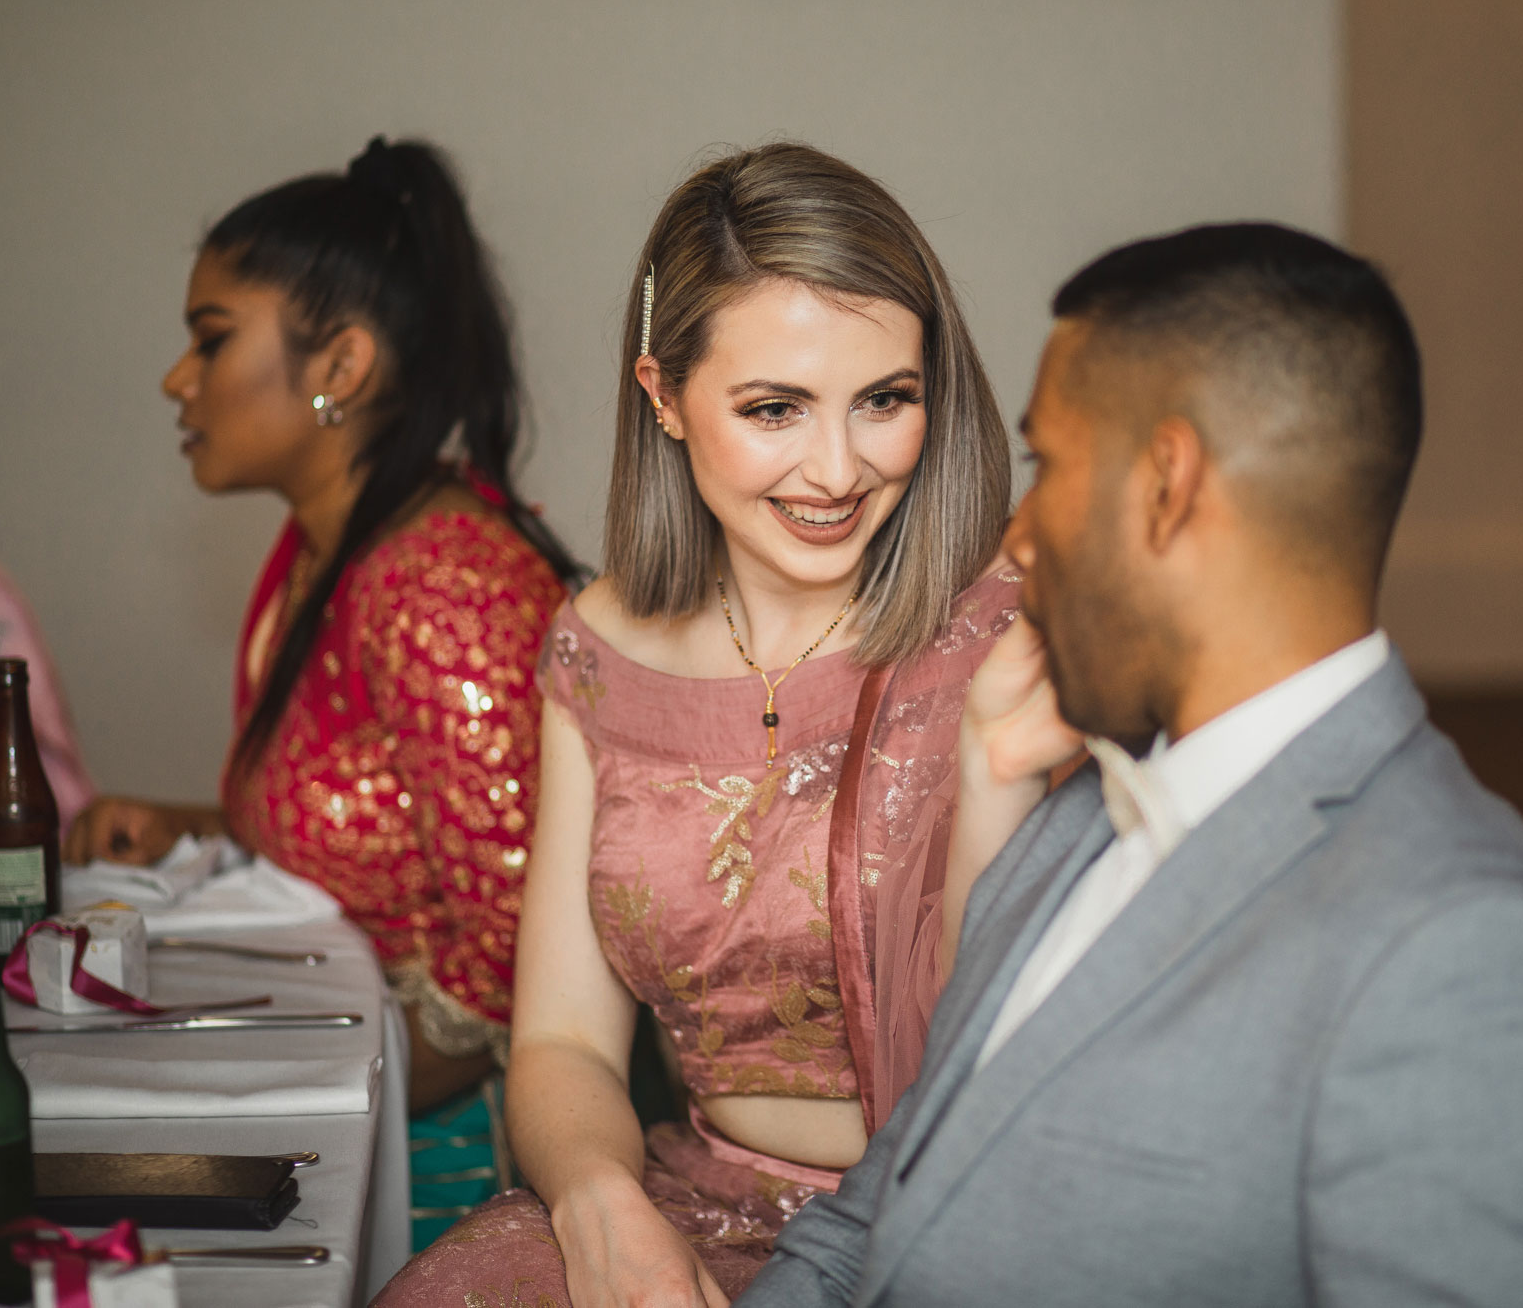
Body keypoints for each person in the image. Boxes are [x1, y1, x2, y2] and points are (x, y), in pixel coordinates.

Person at [741, 223, 1523, 1306]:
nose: (1016, 535)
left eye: (1049, 464)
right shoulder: (1075, 814)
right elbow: (877, 1216)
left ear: (1165, 485)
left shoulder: (1465, 954)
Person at [373, 142, 1024, 1307]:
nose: (836, 469)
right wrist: (599, 1204)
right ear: (663, 397)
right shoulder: (598, 648)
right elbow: (564, 1043)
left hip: (956, 1216)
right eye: (774, 408)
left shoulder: (1005, 633)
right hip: (689, 1192)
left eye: (884, 399)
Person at [63, 140, 580, 1228]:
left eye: (210, 340)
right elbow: (378, 830)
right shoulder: (324, 550)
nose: (176, 377)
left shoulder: (436, 577)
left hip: (451, 1165)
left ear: (340, 368)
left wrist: (303, 1113)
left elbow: (515, 952)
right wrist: (183, 825)